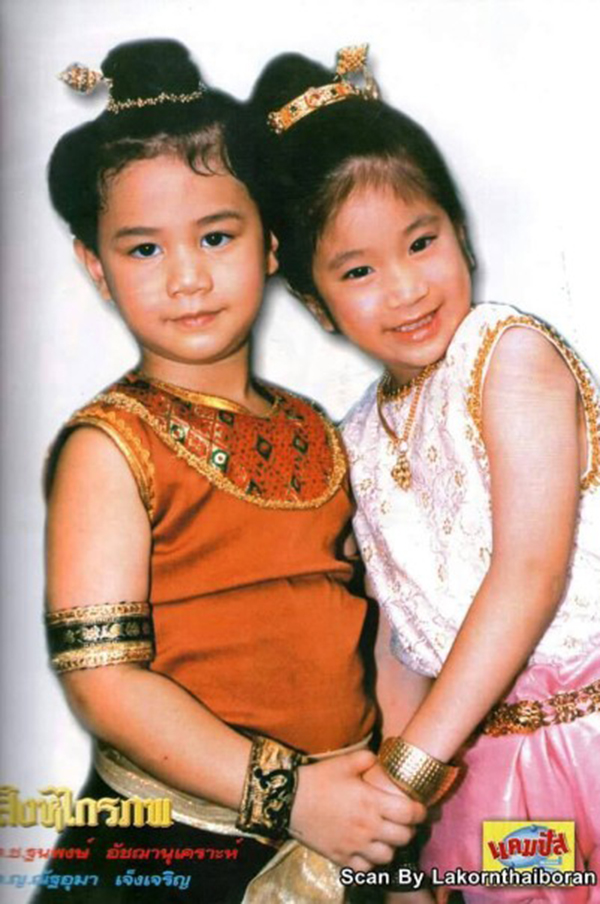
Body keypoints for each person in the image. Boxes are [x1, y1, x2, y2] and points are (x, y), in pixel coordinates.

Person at [38, 39, 425, 904]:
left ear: (272, 241)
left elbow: (369, 640)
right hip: (178, 854)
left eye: (216, 236)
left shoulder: (315, 431)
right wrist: (292, 799)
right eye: (144, 250)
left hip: (343, 831)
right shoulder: (110, 447)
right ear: (96, 267)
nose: (187, 278)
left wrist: (399, 845)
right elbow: (103, 680)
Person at [248, 44, 600, 902]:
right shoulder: (358, 440)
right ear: (316, 302)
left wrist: (407, 769)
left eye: (421, 241)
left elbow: (529, 573)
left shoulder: (507, 355)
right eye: (359, 271)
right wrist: (405, 846)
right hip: (495, 779)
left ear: (461, 234)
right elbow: (400, 647)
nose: (406, 288)